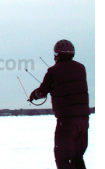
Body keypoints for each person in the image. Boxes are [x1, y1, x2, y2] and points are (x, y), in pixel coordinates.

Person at [29, 39, 90, 169]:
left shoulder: (53, 71)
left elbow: (41, 92)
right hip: (84, 121)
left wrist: (33, 96)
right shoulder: (81, 68)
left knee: (64, 159)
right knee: (77, 158)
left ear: (56, 54)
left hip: (66, 122)